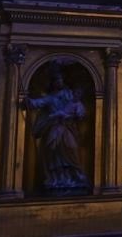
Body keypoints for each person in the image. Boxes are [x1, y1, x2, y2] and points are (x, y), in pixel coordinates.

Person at [23, 65, 89, 193]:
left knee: (71, 149)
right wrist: (28, 101)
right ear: (53, 83)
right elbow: (38, 102)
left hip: (68, 128)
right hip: (53, 128)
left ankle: (75, 176)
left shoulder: (69, 94)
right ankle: (57, 178)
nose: (59, 82)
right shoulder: (50, 97)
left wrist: (78, 113)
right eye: (56, 80)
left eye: (61, 79)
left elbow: (79, 106)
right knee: (53, 152)